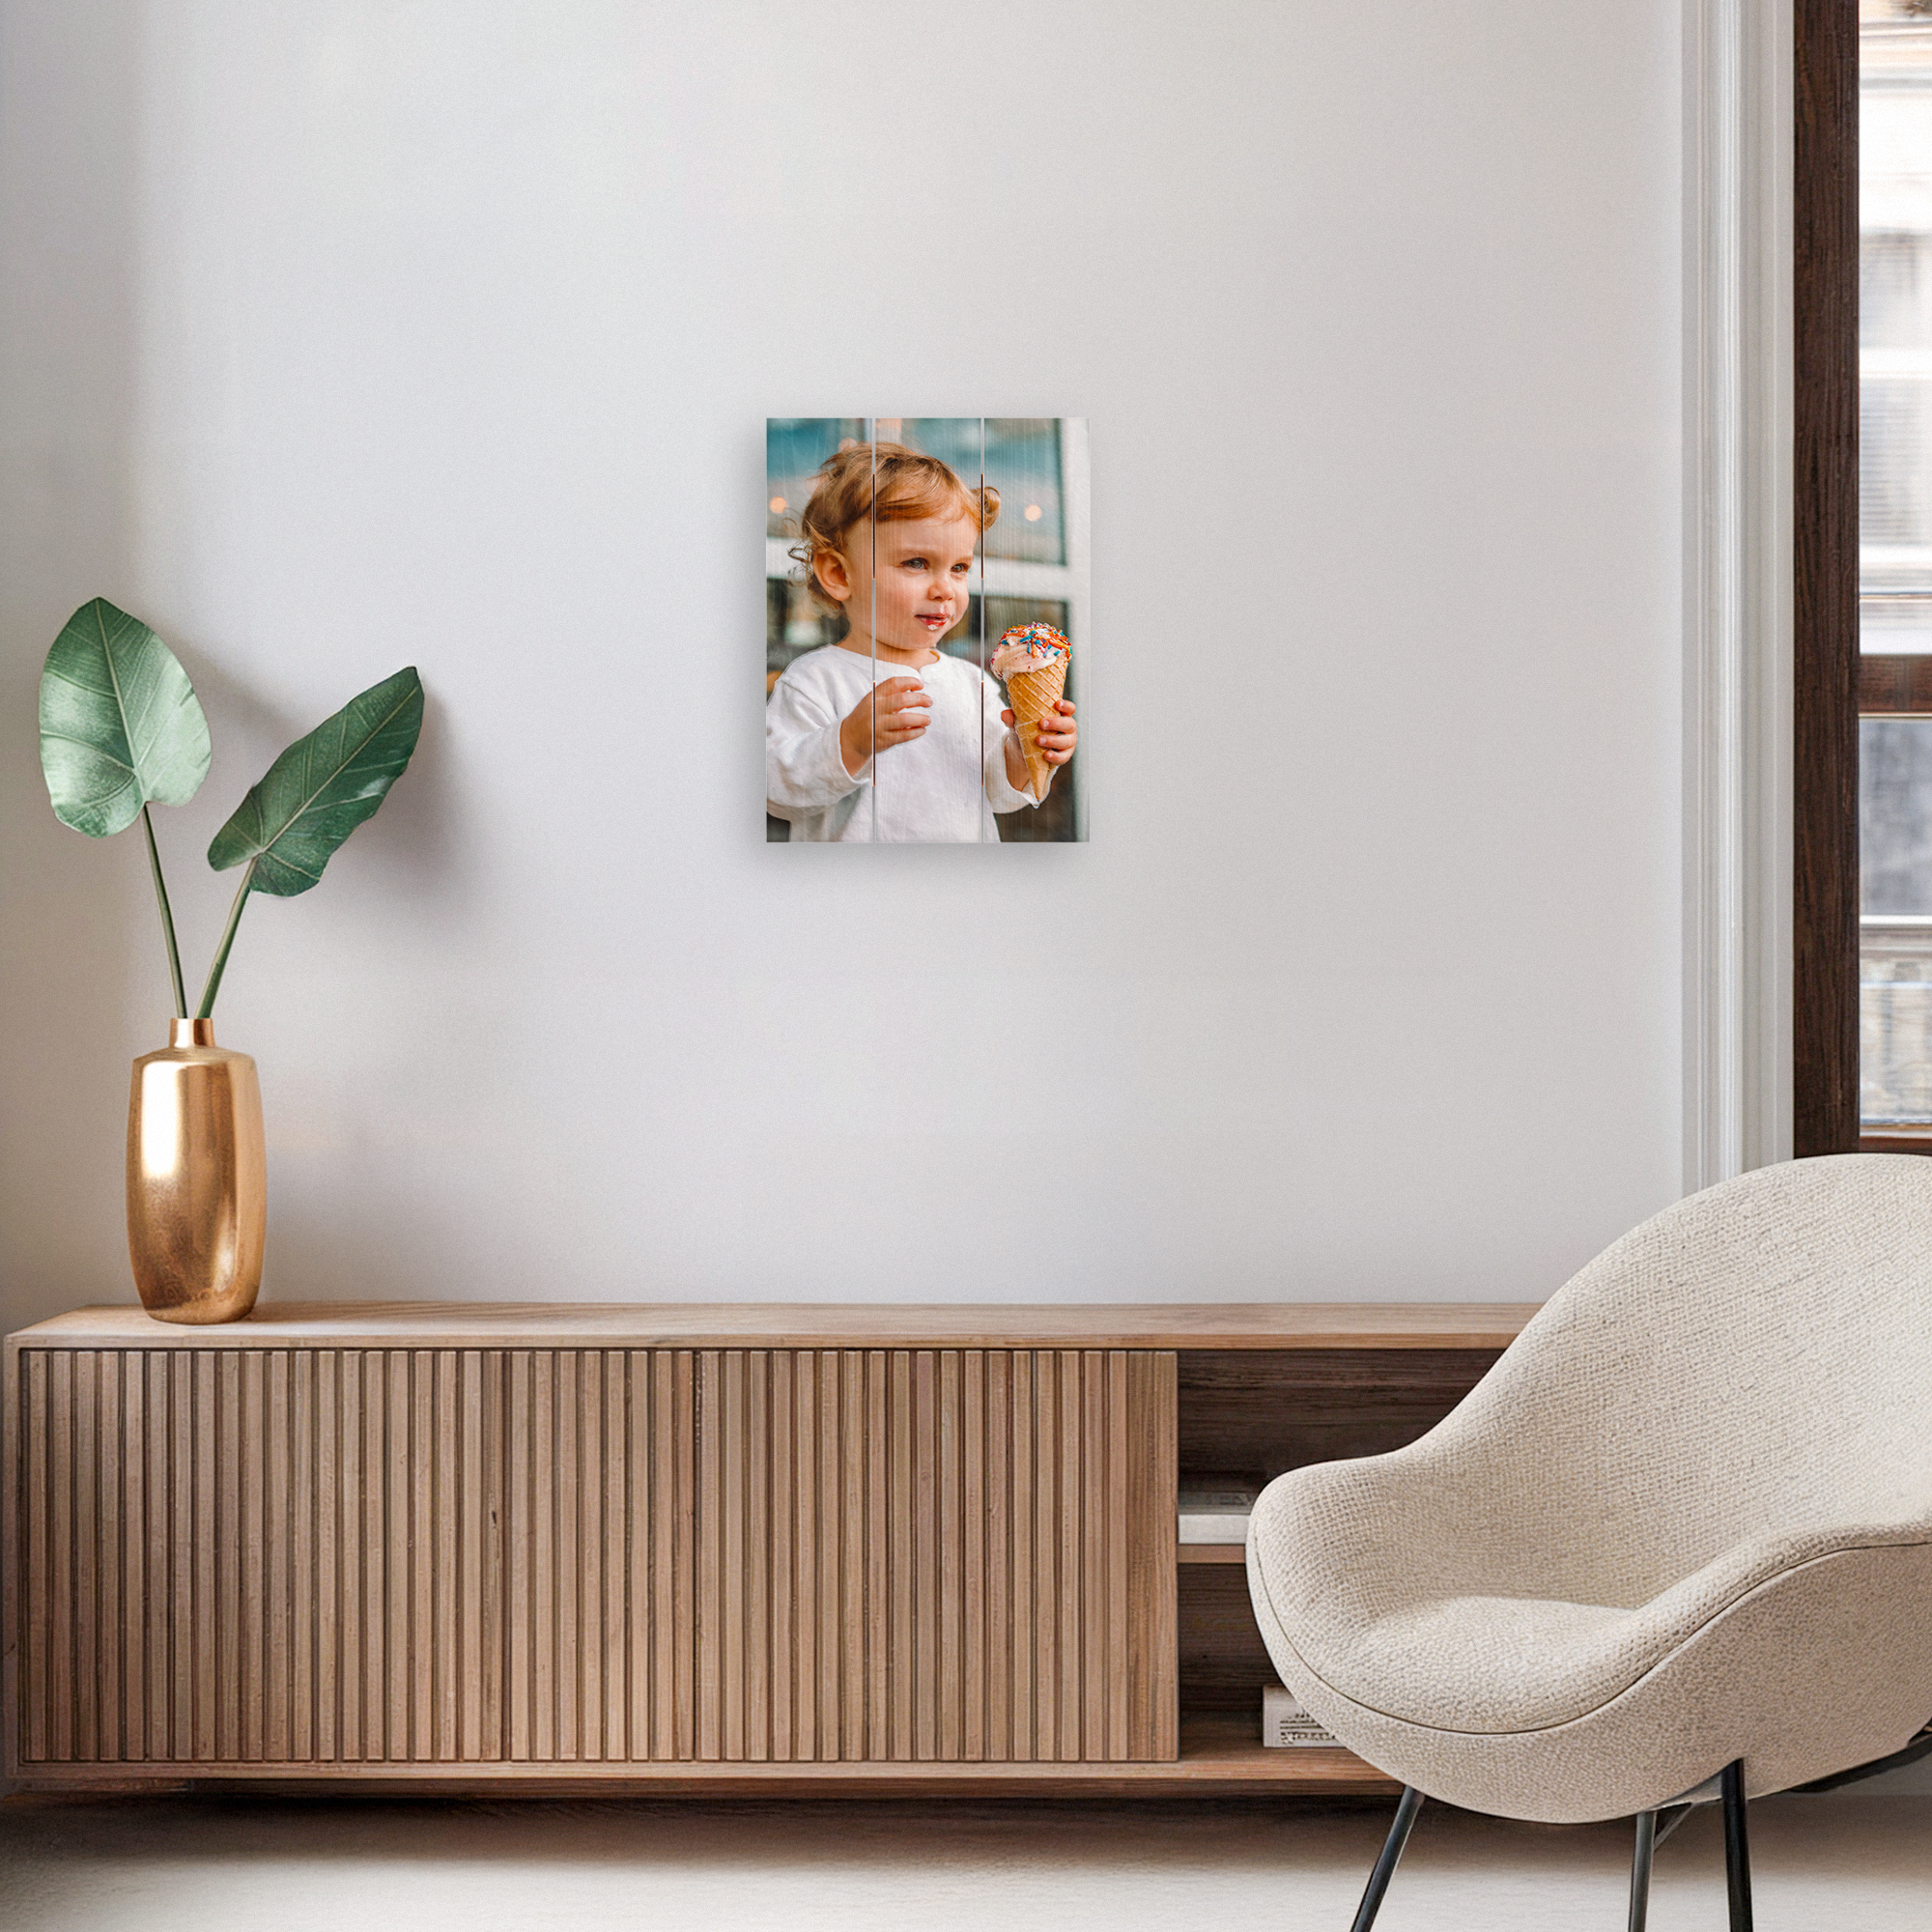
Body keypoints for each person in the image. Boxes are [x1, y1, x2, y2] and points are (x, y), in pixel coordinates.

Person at [765, 442, 1077, 841]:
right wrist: (850, 742)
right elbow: (777, 794)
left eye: (960, 568)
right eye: (916, 563)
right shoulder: (814, 680)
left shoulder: (972, 682)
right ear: (840, 575)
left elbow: (1001, 795)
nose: (945, 589)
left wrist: (1024, 753)